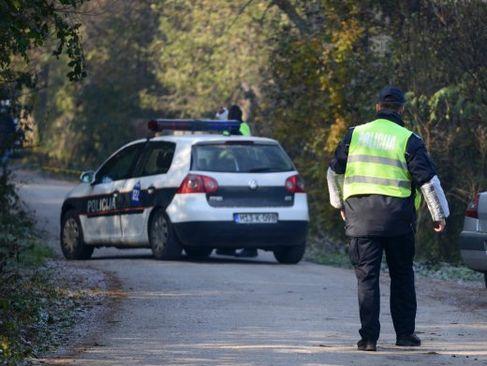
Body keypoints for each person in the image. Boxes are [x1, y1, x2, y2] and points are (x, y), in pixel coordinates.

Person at [327, 86, 449, 352]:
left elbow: (333, 171)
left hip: (360, 218)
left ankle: (368, 339)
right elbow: (428, 180)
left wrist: (339, 203)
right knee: (402, 276)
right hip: (398, 220)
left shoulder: (354, 135)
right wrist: (439, 215)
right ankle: (404, 335)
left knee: (367, 278)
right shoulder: (409, 139)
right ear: (402, 110)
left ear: (377, 107)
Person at [215, 104, 257, 258]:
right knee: (236, 213)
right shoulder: (244, 126)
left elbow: (225, 140)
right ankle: (230, 247)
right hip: (241, 171)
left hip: (236, 171)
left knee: (241, 213)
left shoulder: (234, 127)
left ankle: (247, 248)